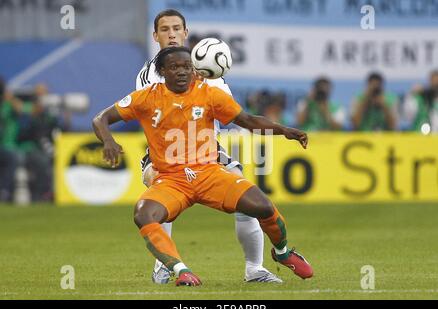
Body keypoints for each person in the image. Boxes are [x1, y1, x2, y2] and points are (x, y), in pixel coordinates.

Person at [92, 46, 313, 286]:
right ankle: (181, 271)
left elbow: (248, 121)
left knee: (263, 206)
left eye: (187, 66)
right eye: (174, 67)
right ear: (162, 71)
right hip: (171, 180)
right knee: (143, 214)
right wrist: (108, 140)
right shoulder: (145, 97)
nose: (182, 72)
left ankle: (282, 253)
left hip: (210, 174)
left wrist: (284, 131)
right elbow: (100, 119)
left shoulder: (209, 94)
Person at [135, 9, 281, 284]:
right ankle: (164, 264)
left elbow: (226, 108)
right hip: (166, 151)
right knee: (159, 197)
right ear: (155, 36)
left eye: (177, 28)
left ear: (186, 32)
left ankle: (254, 268)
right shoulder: (149, 73)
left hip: (207, 149)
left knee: (245, 196)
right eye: (165, 29)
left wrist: (205, 82)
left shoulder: (206, 64)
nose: (172, 34)